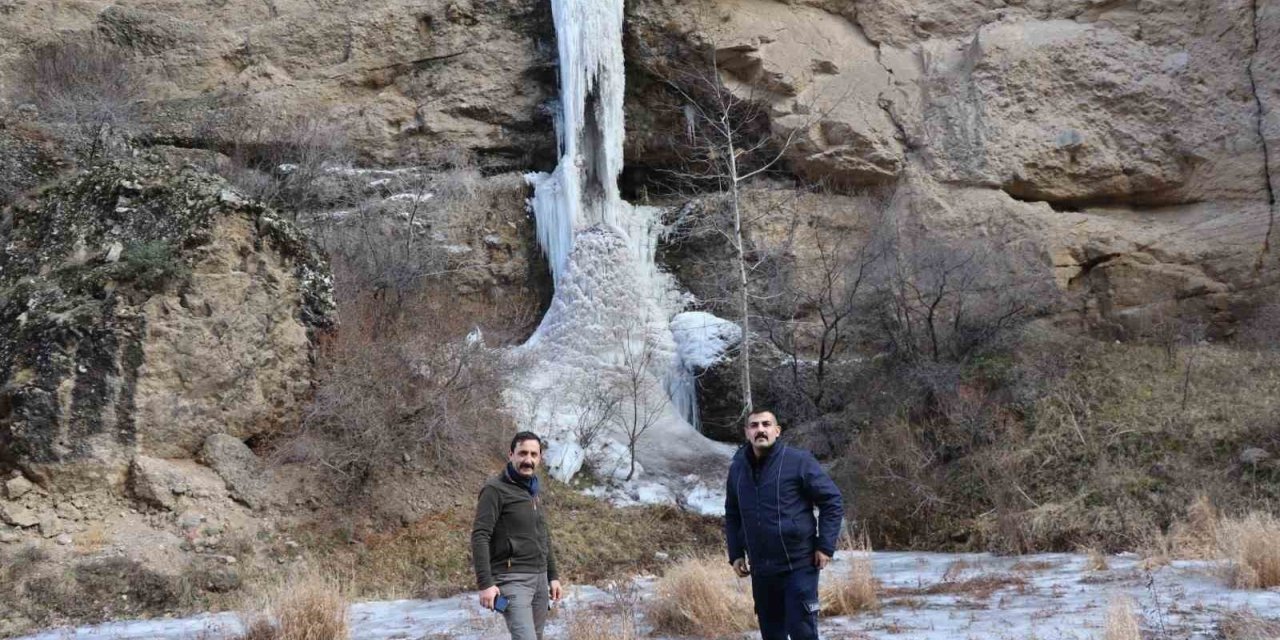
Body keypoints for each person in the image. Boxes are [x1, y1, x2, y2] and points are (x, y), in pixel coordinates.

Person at [725, 408, 844, 640]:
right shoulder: (738, 469)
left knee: (802, 632)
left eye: (766, 424)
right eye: (755, 425)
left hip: (798, 565)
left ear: (777, 431)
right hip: (761, 569)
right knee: (772, 634)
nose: (761, 430)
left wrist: (825, 545)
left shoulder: (798, 461)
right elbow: (732, 513)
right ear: (747, 432)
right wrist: (736, 552)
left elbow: (832, 500)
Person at [471, 431, 563, 640]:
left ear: (540, 458)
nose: (528, 460)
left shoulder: (532, 490)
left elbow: (543, 535)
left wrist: (553, 576)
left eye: (533, 454)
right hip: (512, 579)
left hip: (539, 579)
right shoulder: (495, 490)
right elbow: (480, 535)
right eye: (522, 453)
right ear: (511, 454)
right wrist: (485, 583)